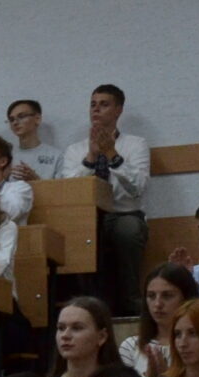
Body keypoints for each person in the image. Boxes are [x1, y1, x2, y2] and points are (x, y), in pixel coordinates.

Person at [64, 84, 151, 308]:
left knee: (127, 230)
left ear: (118, 110)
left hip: (124, 213)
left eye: (104, 104)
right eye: (93, 105)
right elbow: (69, 192)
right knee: (77, 233)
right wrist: (91, 157)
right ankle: (90, 306)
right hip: (88, 217)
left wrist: (112, 154)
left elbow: (137, 188)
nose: (96, 110)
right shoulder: (75, 150)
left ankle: (132, 303)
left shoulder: (136, 144)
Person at [134, 263, 199, 377]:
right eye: (151, 296)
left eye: (167, 296)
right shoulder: (131, 345)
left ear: (186, 298)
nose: (158, 304)